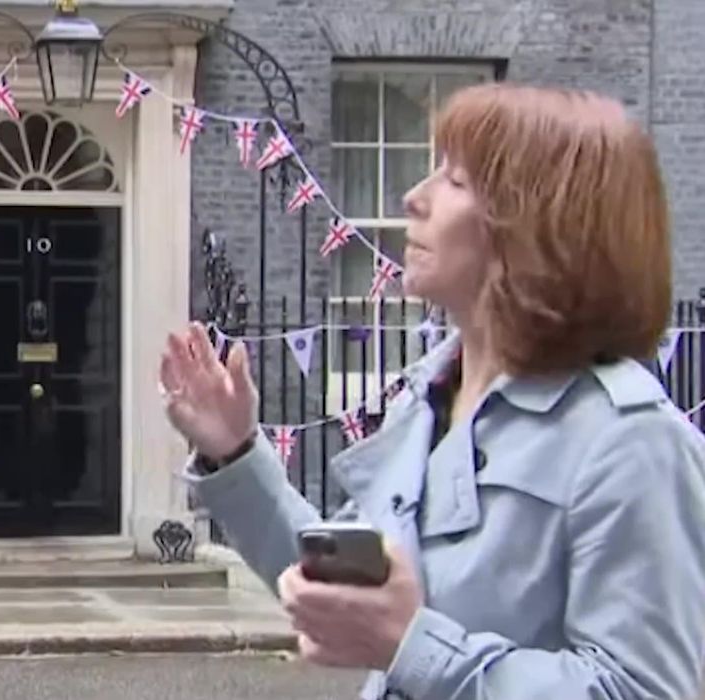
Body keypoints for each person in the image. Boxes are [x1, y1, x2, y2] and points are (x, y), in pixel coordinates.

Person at [161, 83, 705, 699]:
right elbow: (347, 590)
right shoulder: (429, 398)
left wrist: (413, 646)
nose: (413, 198)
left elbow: (639, 689)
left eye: (455, 180)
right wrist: (235, 452)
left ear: (540, 224)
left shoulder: (633, 442)